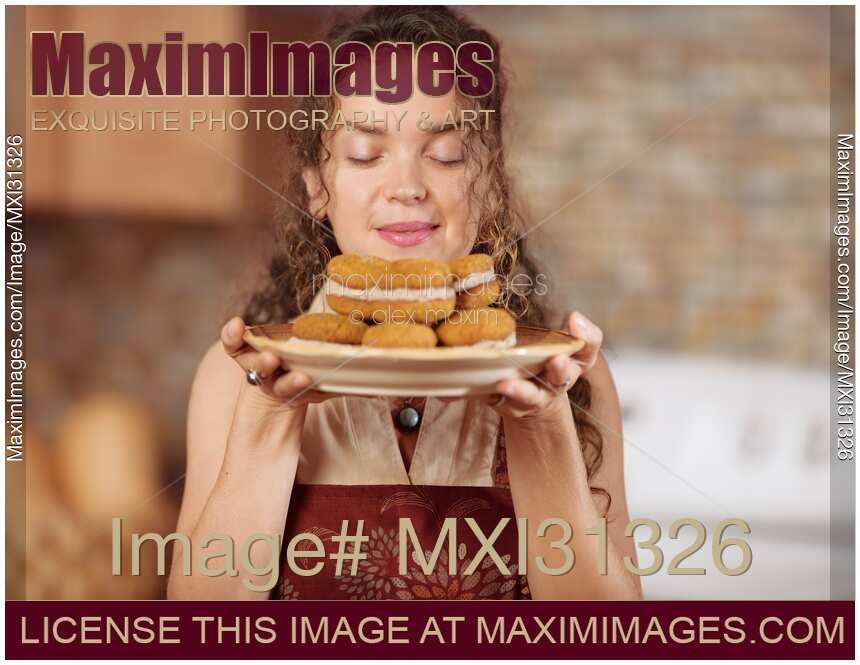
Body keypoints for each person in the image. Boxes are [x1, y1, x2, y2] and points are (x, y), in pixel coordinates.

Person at [167, 6, 642, 601]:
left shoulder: (572, 377)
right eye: (366, 154)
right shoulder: (237, 374)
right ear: (319, 186)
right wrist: (269, 418)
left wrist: (543, 428)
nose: (408, 186)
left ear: (491, 184)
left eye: (446, 155)